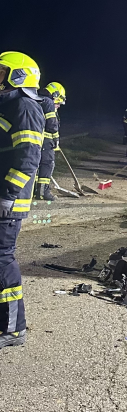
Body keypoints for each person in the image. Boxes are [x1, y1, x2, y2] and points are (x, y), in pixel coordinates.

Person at [0, 51, 44, 350]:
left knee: (2, 260)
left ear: (17, 76)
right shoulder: (9, 105)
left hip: (8, 202)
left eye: (2, 72)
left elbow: (29, 159)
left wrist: (7, 195)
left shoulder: (25, 106)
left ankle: (14, 329)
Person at [34, 81, 65, 200]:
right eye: (58, 102)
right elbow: (51, 124)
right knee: (47, 164)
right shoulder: (48, 103)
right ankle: (43, 192)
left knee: (35, 165)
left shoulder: (37, 99)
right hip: (46, 140)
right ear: (55, 95)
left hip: (35, 140)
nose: (59, 105)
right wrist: (56, 138)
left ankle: (33, 190)